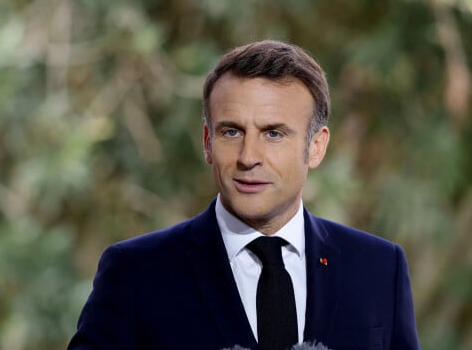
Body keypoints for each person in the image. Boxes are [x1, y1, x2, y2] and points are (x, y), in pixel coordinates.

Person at [67, 40, 421, 350]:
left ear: (316, 147)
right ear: (208, 143)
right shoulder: (135, 273)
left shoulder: (378, 268)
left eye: (273, 134)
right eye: (232, 132)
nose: (248, 156)